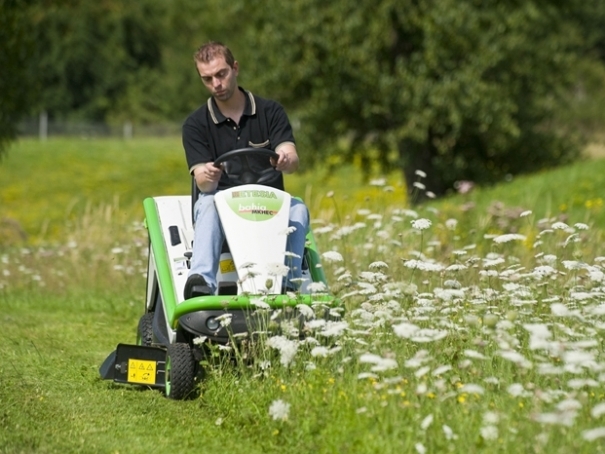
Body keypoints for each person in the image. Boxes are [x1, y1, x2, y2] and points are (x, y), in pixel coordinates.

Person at [182, 41, 309, 298]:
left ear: (235, 68)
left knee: (298, 208)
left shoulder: (270, 111)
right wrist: (207, 175)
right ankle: (201, 282)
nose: (216, 84)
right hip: (223, 204)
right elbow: (202, 183)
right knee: (208, 202)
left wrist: (285, 159)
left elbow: (292, 159)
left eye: (221, 74)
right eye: (207, 79)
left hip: (266, 203)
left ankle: (289, 282)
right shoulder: (195, 124)